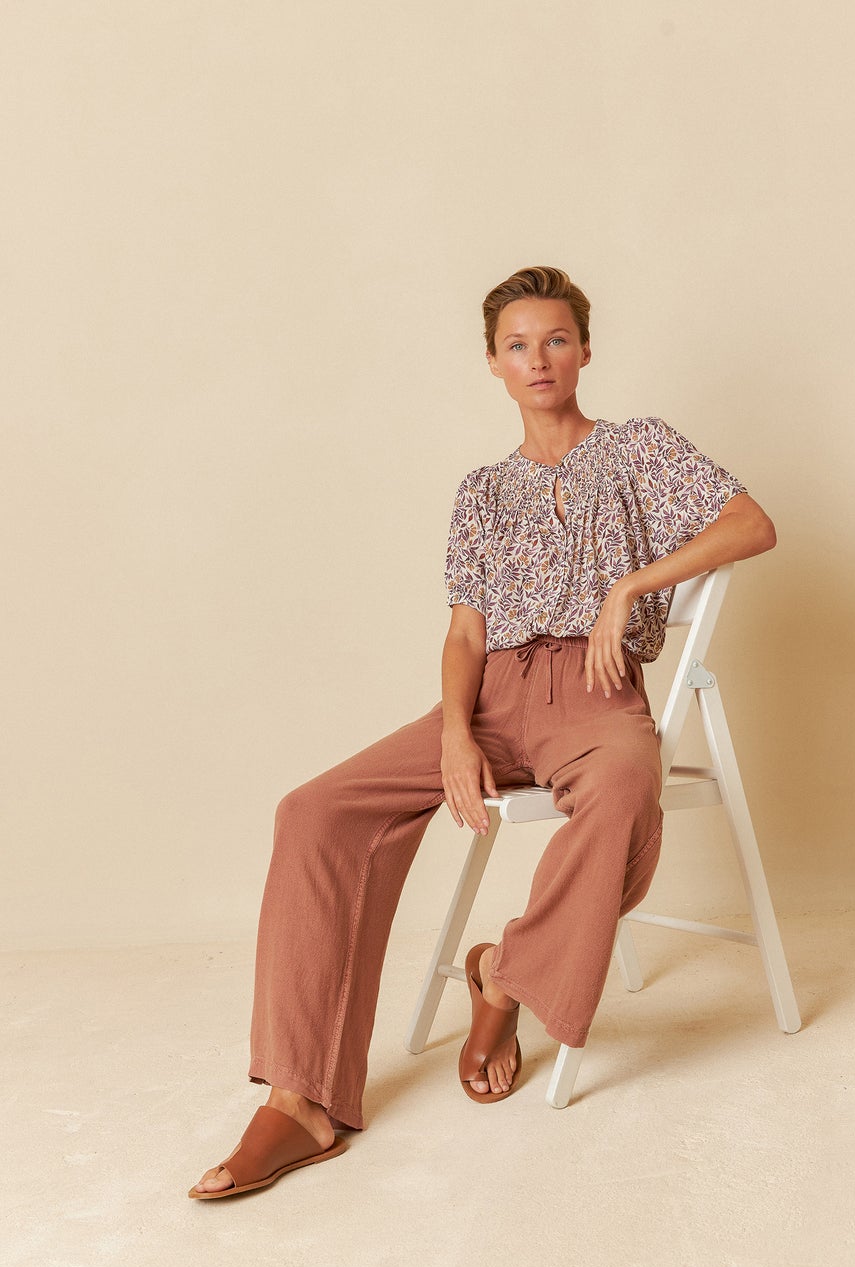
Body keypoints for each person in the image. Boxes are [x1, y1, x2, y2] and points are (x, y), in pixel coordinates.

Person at [189, 266, 776, 1199]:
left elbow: (752, 523)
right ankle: (300, 1101)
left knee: (626, 792)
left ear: (585, 350)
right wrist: (456, 735)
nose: (538, 358)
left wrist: (630, 586)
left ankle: (504, 977)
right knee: (313, 811)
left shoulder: (639, 447)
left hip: (595, 691)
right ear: (494, 364)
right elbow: (466, 635)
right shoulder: (481, 492)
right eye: (517, 345)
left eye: (556, 339)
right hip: (492, 699)